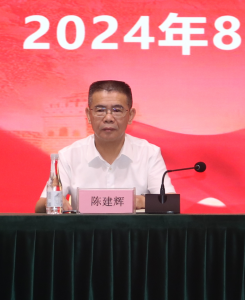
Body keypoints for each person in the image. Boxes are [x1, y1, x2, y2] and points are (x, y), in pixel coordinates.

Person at [34, 80, 166, 213]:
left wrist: (142, 201)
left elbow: (169, 203)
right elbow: (40, 206)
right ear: (88, 115)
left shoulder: (149, 153)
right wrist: (53, 201)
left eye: (117, 110)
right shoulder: (69, 155)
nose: (108, 118)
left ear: (130, 116)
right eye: (100, 110)